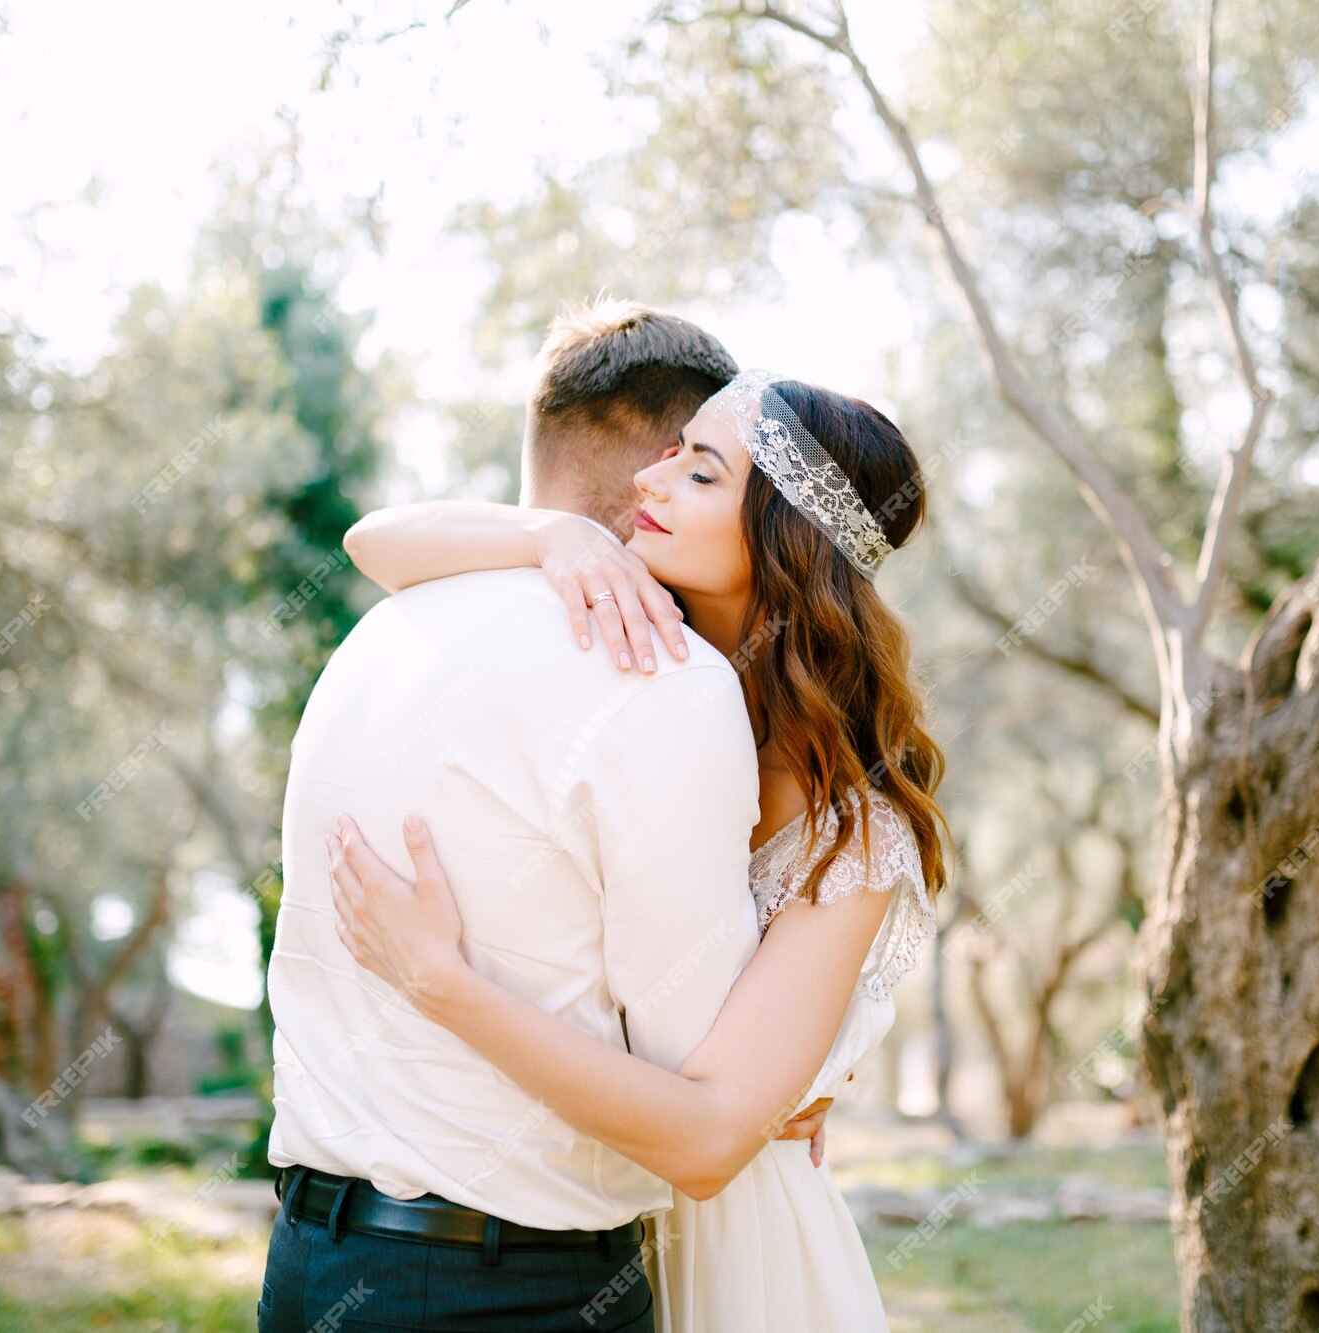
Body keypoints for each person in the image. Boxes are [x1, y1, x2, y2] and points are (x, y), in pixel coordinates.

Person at [329, 365, 948, 1330]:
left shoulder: (851, 831)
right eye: (671, 455)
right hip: (602, 1229)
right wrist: (553, 533)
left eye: (702, 475)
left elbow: (707, 1141)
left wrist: (441, 981)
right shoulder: (650, 685)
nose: (649, 485)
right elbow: (372, 541)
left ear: (788, 541)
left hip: (741, 1259)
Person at [260, 301, 825, 1333]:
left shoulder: (380, 632)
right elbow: (692, 1076)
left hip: (308, 1264)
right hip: (507, 1291)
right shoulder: (658, 676)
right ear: (665, 457)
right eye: (692, 459)